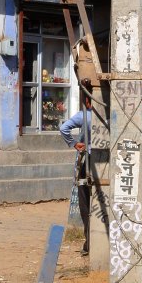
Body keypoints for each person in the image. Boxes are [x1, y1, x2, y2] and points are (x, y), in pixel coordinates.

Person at [60, 81, 93, 255]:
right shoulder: (111, 115)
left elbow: (63, 128)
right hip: (107, 162)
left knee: (85, 202)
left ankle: (89, 242)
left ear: (87, 101)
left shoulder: (85, 115)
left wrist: (73, 143)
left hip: (87, 161)